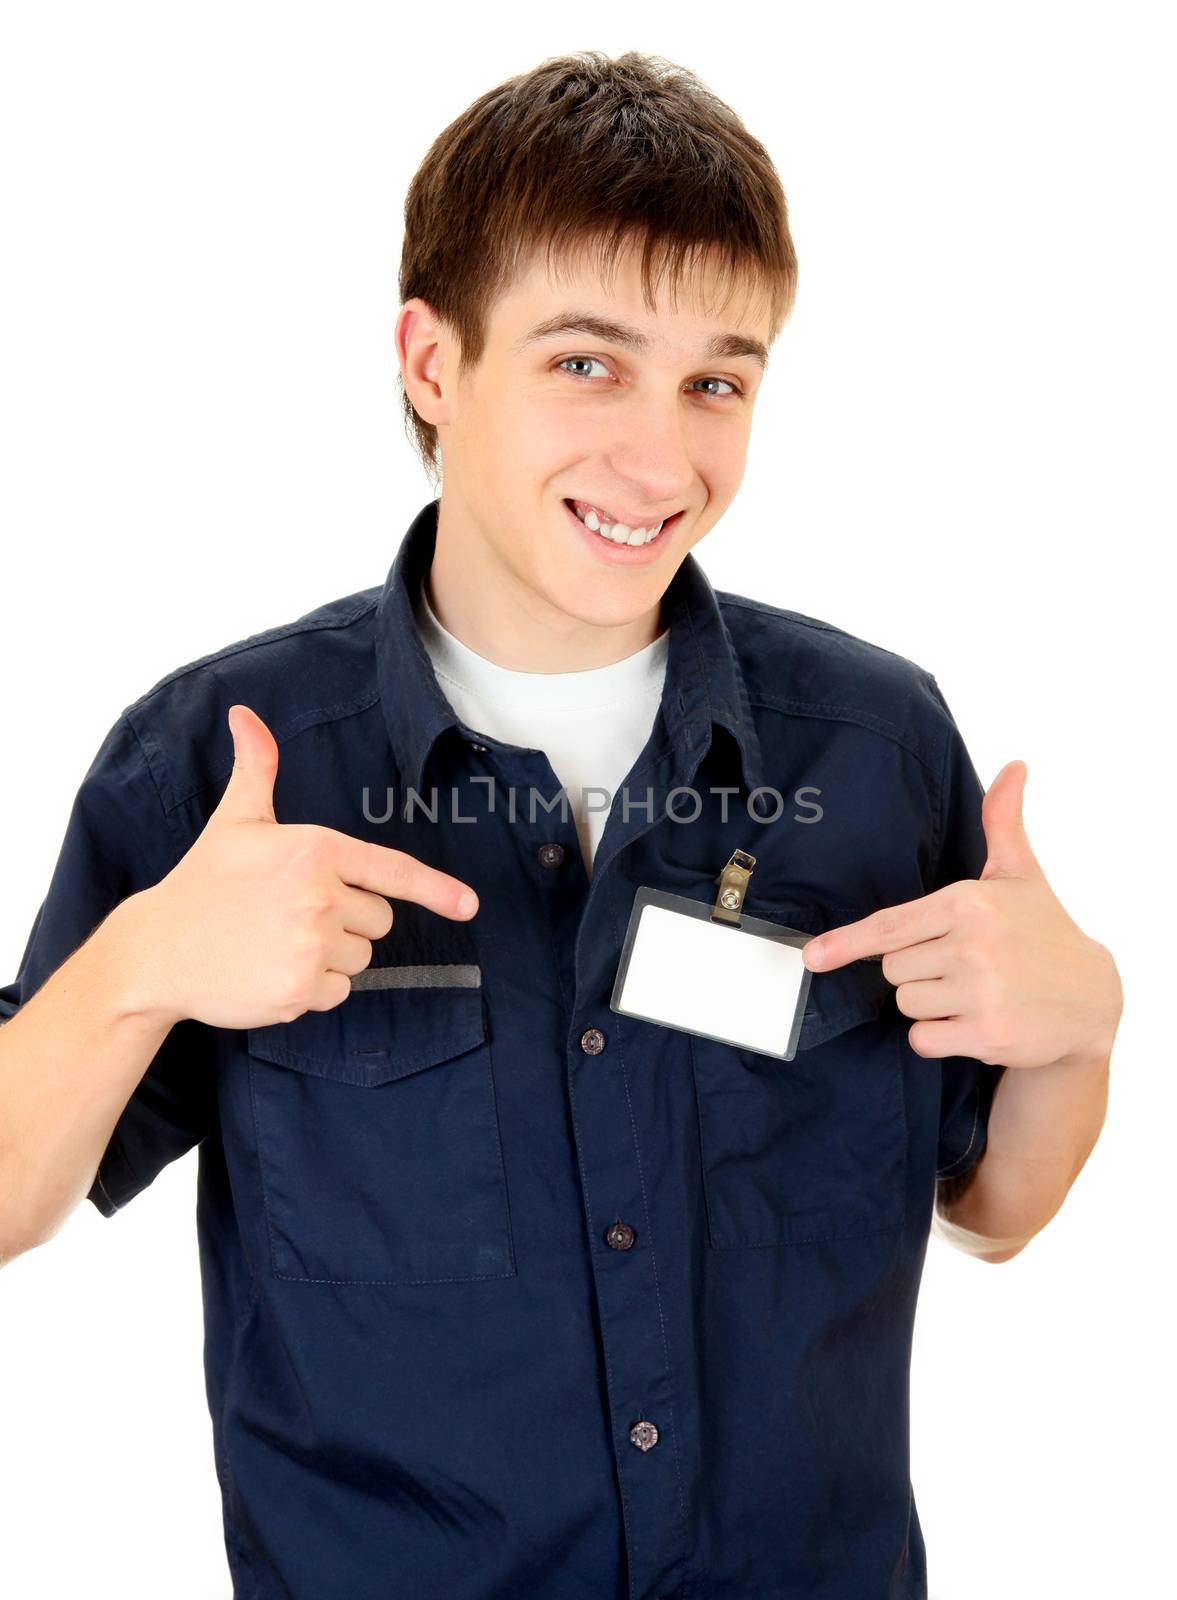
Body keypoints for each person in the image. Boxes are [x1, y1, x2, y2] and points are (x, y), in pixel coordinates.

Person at [0, 48, 1122, 1600]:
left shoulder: (873, 749)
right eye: (585, 363)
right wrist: (134, 968)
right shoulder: (227, 759)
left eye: (715, 381)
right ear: (432, 363)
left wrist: (1080, 1034)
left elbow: (989, 1212)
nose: (660, 460)